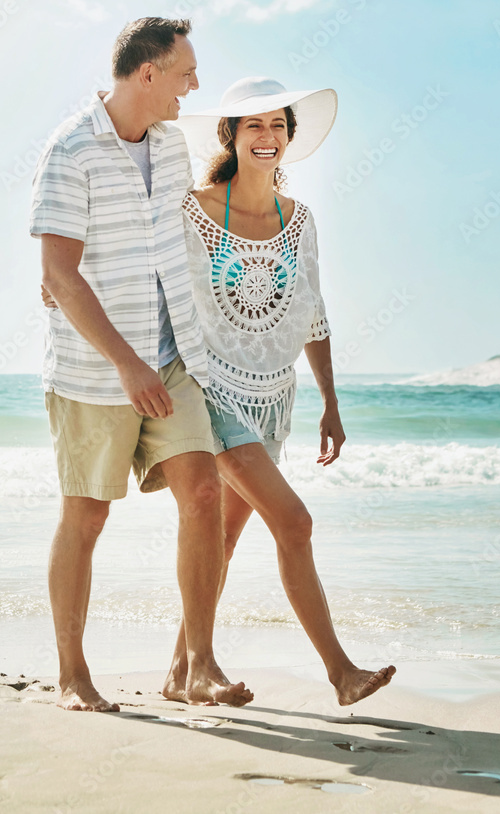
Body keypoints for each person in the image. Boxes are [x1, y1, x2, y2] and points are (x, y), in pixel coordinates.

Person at [29, 18, 252, 712]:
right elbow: (61, 275)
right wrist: (127, 365)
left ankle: (198, 666)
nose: (194, 84)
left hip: (174, 357)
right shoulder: (70, 150)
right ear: (147, 73)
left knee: (205, 495)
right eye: (186, 72)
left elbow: (182, 239)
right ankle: (72, 675)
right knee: (87, 517)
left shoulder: (171, 146)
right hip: (95, 372)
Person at [166, 77, 396, 705]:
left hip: (273, 395)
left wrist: (331, 399)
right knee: (295, 522)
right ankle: (341, 672)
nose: (266, 138)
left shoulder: (300, 221)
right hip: (209, 390)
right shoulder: (194, 210)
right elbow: (154, 278)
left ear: (289, 137)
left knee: (226, 539)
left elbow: (311, 311)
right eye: (253, 127)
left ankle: (176, 672)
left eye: (276, 126)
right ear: (230, 136)